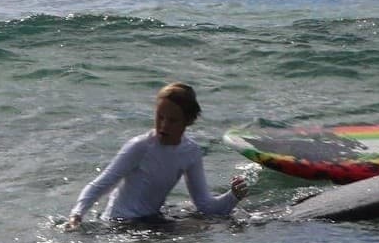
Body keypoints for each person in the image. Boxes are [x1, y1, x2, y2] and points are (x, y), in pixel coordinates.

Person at [67, 83, 249, 229]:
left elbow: (205, 206)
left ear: (189, 121)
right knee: (195, 234)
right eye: (160, 117)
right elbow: (101, 184)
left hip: (152, 221)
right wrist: (77, 215)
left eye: (172, 120)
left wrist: (233, 196)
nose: (163, 125)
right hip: (121, 224)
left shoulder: (190, 152)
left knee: (226, 222)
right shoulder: (140, 146)